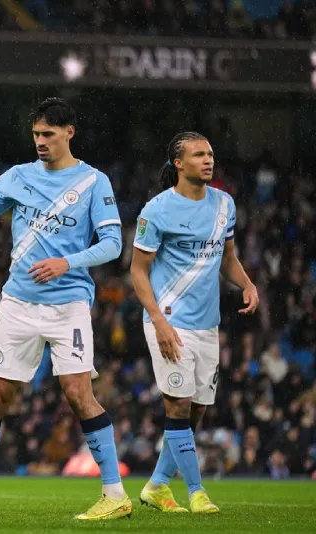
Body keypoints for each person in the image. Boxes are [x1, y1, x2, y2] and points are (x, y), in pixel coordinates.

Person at [0, 97, 131, 521]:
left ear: (69, 133)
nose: (40, 142)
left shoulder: (94, 182)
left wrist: (67, 262)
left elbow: (113, 245)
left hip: (70, 304)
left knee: (79, 394)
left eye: (49, 135)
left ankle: (115, 494)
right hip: (19, 304)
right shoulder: (18, 177)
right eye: (36, 134)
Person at [130, 131, 259, 514]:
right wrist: (158, 322)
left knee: (198, 410)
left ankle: (155, 486)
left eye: (210, 154)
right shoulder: (156, 210)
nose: (208, 160)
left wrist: (248, 284)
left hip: (208, 324)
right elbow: (138, 272)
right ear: (178, 163)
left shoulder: (224, 205)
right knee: (178, 405)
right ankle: (197, 491)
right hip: (170, 321)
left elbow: (227, 258)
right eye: (199, 155)